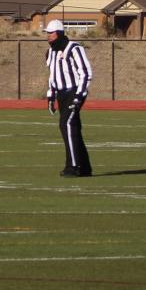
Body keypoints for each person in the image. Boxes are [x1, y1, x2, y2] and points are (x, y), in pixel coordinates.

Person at [44, 19, 93, 177]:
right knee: (74, 129)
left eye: (50, 33)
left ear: (58, 33)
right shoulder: (50, 52)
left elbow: (85, 72)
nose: (48, 36)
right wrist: (51, 96)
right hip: (61, 94)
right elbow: (52, 75)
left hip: (74, 91)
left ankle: (73, 166)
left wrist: (80, 94)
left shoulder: (74, 48)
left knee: (66, 124)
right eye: (47, 33)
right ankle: (84, 167)